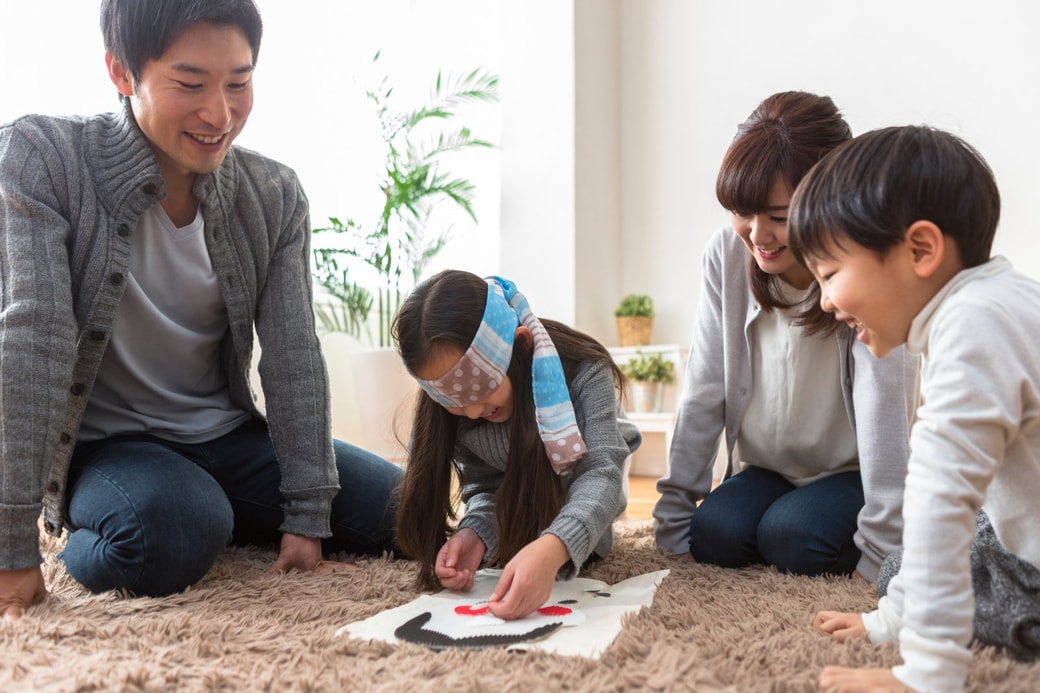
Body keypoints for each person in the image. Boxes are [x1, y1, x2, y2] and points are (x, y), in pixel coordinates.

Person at [0, 0, 402, 619]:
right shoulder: (42, 157)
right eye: (190, 84)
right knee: (174, 529)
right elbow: (36, 338)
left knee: (405, 506)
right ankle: (126, 522)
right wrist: (12, 542)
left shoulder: (273, 194)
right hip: (110, 447)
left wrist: (307, 511)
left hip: (226, 434)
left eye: (239, 83)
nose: (220, 114)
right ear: (121, 72)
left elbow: (293, 355)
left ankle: (214, 506)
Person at [790, 125, 1040, 692]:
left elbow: (939, 500)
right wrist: (892, 618)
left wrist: (924, 672)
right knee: (906, 567)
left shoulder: (972, 326)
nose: (826, 301)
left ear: (921, 250)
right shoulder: (996, 301)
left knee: (927, 551)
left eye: (830, 275)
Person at [653, 92, 917, 580]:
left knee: (792, 538)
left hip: (850, 472)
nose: (757, 235)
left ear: (829, 198)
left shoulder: (867, 264)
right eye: (741, 211)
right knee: (713, 533)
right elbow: (704, 384)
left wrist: (881, 551)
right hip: (767, 468)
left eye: (778, 216)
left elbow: (885, 411)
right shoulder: (727, 257)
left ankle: (816, 526)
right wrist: (673, 514)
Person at [391, 269, 641, 620]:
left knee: (589, 506)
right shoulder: (463, 415)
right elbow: (486, 486)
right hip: (527, 491)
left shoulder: (585, 370)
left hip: (592, 474)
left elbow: (600, 475)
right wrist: (474, 533)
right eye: (456, 402)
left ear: (520, 345)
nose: (474, 410)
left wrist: (553, 548)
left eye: (483, 389)